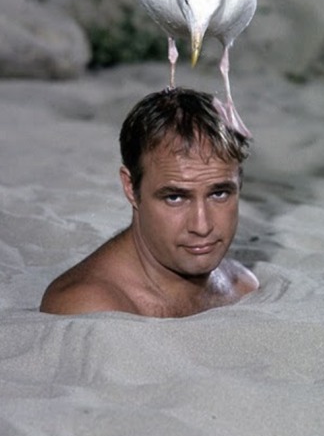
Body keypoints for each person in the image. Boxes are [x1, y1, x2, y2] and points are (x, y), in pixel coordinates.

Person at [40, 87, 259, 318]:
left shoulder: (243, 287)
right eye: (175, 197)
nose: (202, 226)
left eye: (219, 194)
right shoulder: (88, 307)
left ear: (240, 182)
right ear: (130, 188)